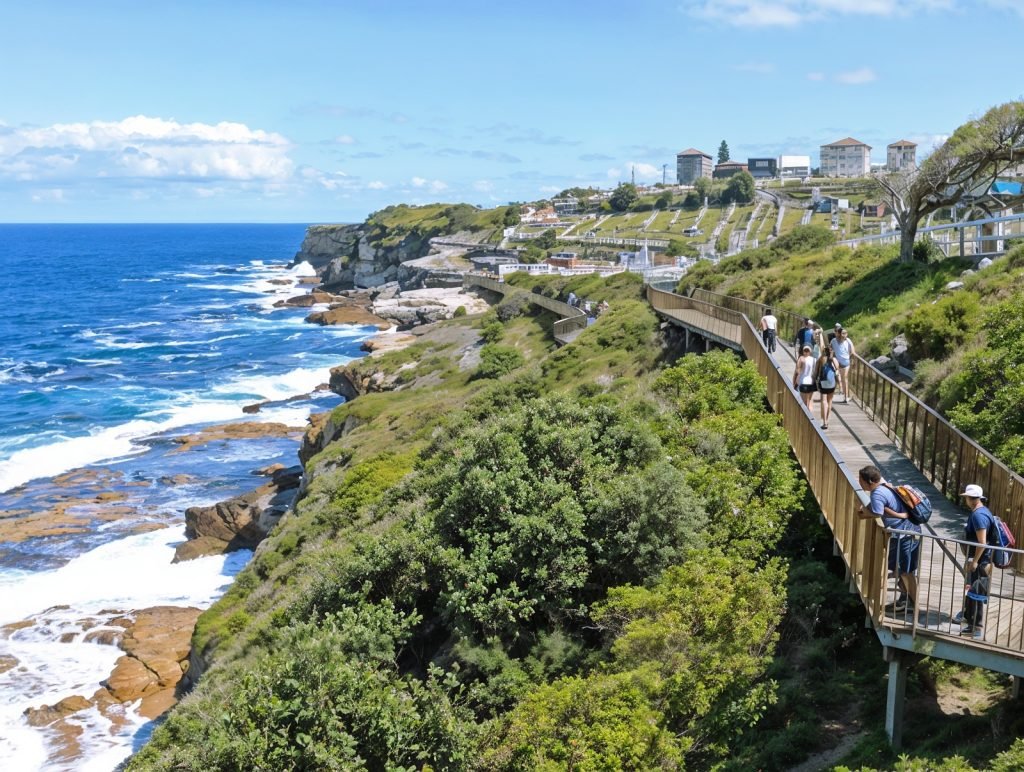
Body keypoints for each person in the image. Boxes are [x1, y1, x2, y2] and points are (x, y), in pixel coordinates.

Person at [856, 465, 920, 615]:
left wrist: (863, 513)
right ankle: (905, 602)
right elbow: (883, 509)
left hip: (904, 535)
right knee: (904, 571)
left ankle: (913, 606)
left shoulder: (877, 493)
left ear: (870, 481)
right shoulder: (886, 487)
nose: (859, 483)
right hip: (909, 532)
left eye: (861, 481)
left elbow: (877, 512)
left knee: (906, 572)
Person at [957, 484, 995, 639]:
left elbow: (982, 542)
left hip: (980, 562)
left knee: (977, 593)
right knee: (972, 590)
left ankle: (976, 627)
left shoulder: (978, 516)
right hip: (982, 560)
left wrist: (974, 562)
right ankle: (967, 615)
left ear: (970, 499)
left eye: (966, 497)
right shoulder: (983, 511)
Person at [830, 327, 855, 404]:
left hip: (846, 363)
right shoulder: (834, 341)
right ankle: (845, 396)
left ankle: (846, 397)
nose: (844, 335)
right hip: (838, 363)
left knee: (845, 379)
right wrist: (832, 358)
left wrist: (851, 358)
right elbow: (830, 350)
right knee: (843, 380)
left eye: (846, 333)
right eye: (843, 333)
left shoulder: (848, 341)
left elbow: (853, 351)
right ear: (839, 334)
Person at [815, 347, 838, 429]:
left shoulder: (820, 359)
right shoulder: (834, 360)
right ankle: (827, 420)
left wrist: (815, 380)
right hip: (831, 383)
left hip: (823, 382)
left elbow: (816, 372)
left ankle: (824, 422)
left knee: (824, 401)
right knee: (830, 401)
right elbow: (837, 370)